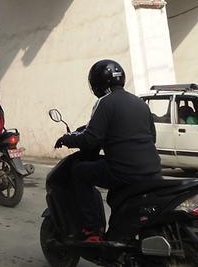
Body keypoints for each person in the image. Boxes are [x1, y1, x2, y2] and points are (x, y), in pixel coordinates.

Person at [55, 59, 162, 243]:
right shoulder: (140, 103)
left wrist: (67, 139)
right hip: (153, 170)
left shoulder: (104, 103)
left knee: (79, 172)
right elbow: (152, 137)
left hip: (123, 171)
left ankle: (92, 229)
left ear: (97, 83)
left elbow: (91, 138)